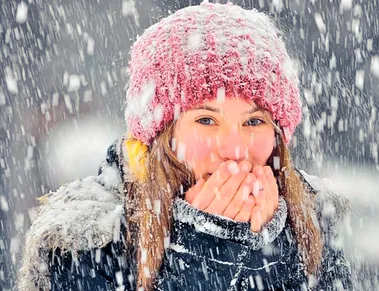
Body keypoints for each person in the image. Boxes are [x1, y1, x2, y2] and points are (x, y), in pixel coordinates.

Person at [17, 2, 353, 290]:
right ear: (162, 136)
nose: (235, 149)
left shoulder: (310, 224)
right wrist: (205, 253)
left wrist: (273, 251)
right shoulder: (88, 242)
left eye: (254, 122)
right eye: (206, 120)